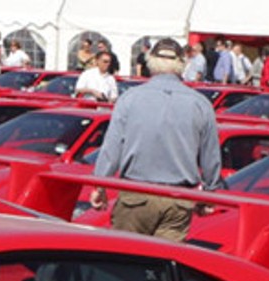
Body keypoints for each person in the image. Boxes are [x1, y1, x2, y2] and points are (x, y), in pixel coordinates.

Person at [89, 36, 220, 241]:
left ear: (151, 63)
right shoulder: (200, 104)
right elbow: (211, 155)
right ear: (181, 65)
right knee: (163, 264)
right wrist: (210, 192)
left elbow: (112, 147)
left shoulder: (130, 99)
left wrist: (99, 184)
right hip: (178, 199)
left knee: (126, 263)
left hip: (136, 194)